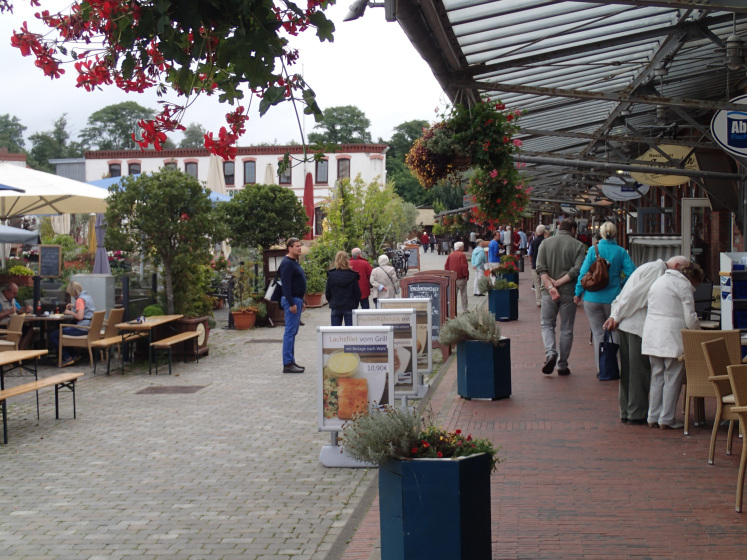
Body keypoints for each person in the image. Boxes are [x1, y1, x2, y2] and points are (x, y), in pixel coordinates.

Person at [603, 256, 690, 425]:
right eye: (684, 272)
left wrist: (616, 315)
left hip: (628, 323)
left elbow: (627, 295)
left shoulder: (651, 268)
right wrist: (616, 316)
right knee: (638, 372)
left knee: (629, 371)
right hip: (636, 325)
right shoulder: (657, 271)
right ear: (677, 266)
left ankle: (628, 411)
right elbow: (636, 297)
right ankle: (637, 412)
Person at [641, 262, 703, 429]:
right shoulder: (683, 285)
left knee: (657, 376)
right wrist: (699, 331)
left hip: (652, 334)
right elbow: (690, 317)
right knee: (673, 377)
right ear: (692, 278)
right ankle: (667, 418)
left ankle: (652, 416)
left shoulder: (659, 281)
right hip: (672, 335)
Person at [573, 222, 635, 379]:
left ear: (600, 233)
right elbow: (632, 273)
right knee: (614, 332)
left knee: (598, 334)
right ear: (615, 234)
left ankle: (603, 369)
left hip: (591, 298)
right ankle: (616, 367)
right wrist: (621, 287)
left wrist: (578, 293)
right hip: (613, 299)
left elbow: (583, 273)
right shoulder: (621, 252)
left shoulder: (593, 251)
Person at [535, 218, 587, 376]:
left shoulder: (545, 243)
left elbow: (540, 269)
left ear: (559, 228)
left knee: (547, 324)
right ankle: (562, 365)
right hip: (568, 292)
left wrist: (551, 287)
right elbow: (577, 270)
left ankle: (550, 353)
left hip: (547, 292)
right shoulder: (578, 246)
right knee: (566, 329)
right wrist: (560, 282)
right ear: (573, 230)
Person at [48, 281, 95, 367]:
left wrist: (70, 312)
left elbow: (80, 317)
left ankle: (67, 357)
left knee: (53, 335)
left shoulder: (80, 300)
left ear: (73, 292)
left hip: (82, 328)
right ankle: (74, 354)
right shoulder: (87, 297)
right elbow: (85, 309)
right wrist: (74, 306)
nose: (71, 295)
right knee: (61, 333)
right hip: (88, 327)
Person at [278, 237, 306, 374]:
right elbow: (286, 285)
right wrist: (291, 303)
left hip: (297, 300)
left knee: (293, 332)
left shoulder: (294, 262)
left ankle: (291, 360)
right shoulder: (287, 263)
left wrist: (302, 301)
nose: (299, 248)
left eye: (300, 246)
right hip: (292, 301)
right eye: (296, 246)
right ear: (289, 248)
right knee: (289, 332)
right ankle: (287, 363)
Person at [325, 251, 361, 326]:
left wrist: (331, 301)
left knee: (335, 333)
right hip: (349, 305)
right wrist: (355, 304)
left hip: (335, 305)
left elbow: (328, 292)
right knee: (350, 332)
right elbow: (357, 293)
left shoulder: (331, 275)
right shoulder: (353, 275)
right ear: (347, 260)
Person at [0, 282, 34, 349]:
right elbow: (11, 311)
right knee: (19, 329)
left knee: (30, 330)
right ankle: (16, 353)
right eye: (14, 293)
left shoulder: (12, 299)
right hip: (3, 325)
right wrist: (9, 312)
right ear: (6, 291)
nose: (15, 295)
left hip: (13, 324)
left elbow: (18, 309)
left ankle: (20, 352)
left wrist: (25, 309)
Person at [445, 241, 470, 313]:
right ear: (460, 247)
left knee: (453, 295)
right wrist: (466, 275)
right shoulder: (462, 255)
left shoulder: (451, 254)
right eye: (463, 246)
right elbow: (464, 266)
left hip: (452, 278)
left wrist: (447, 275)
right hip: (461, 277)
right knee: (463, 294)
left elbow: (446, 266)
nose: (463, 248)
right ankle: (465, 310)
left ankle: (453, 310)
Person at [529, 225, 546, 308]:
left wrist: (531, 263)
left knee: (537, 284)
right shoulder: (546, 242)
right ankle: (545, 300)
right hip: (545, 266)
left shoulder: (533, 242)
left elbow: (530, 254)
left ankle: (539, 301)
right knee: (545, 283)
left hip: (535, 266)